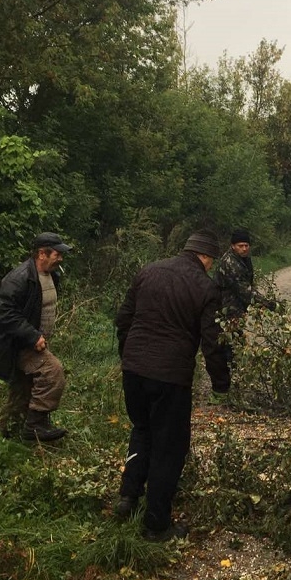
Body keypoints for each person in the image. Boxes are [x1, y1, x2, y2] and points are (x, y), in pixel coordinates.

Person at [114, 229, 230, 541]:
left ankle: (128, 497)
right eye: (210, 261)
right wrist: (221, 382)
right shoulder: (206, 287)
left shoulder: (148, 271)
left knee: (142, 430)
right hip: (170, 376)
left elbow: (123, 319)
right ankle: (156, 524)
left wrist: (129, 357)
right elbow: (213, 342)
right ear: (204, 258)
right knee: (170, 447)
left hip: (134, 369)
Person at [0, 232, 72, 442]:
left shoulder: (51, 275)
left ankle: (4, 437)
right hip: (19, 344)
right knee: (53, 372)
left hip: (35, 341)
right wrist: (32, 336)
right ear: (42, 253)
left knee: (23, 389)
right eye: (57, 254)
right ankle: (35, 427)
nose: (61, 258)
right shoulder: (19, 278)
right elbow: (4, 312)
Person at [212, 228, 274, 377]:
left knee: (234, 340)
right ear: (233, 246)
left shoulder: (243, 259)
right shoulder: (231, 263)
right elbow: (245, 292)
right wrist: (268, 304)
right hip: (225, 309)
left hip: (236, 307)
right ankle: (231, 377)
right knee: (230, 343)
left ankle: (235, 373)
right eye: (241, 245)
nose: (244, 248)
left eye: (246, 245)